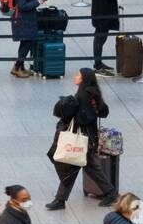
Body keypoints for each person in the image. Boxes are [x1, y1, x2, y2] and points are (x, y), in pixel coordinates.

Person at [45, 68, 118, 210]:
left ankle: (60, 200)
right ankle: (110, 193)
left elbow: (86, 117)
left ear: (84, 78)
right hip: (89, 138)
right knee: (85, 168)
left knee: (71, 168)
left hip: (83, 139)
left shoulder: (84, 95)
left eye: (78, 74)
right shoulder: (93, 93)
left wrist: (71, 113)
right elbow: (103, 111)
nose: (76, 76)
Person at [6, 0, 44, 77]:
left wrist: (36, 0)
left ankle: (20, 67)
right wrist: (38, 2)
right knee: (26, 43)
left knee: (25, 43)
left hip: (26, 20)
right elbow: (22, 6)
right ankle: (17, 67)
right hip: (22, 21)